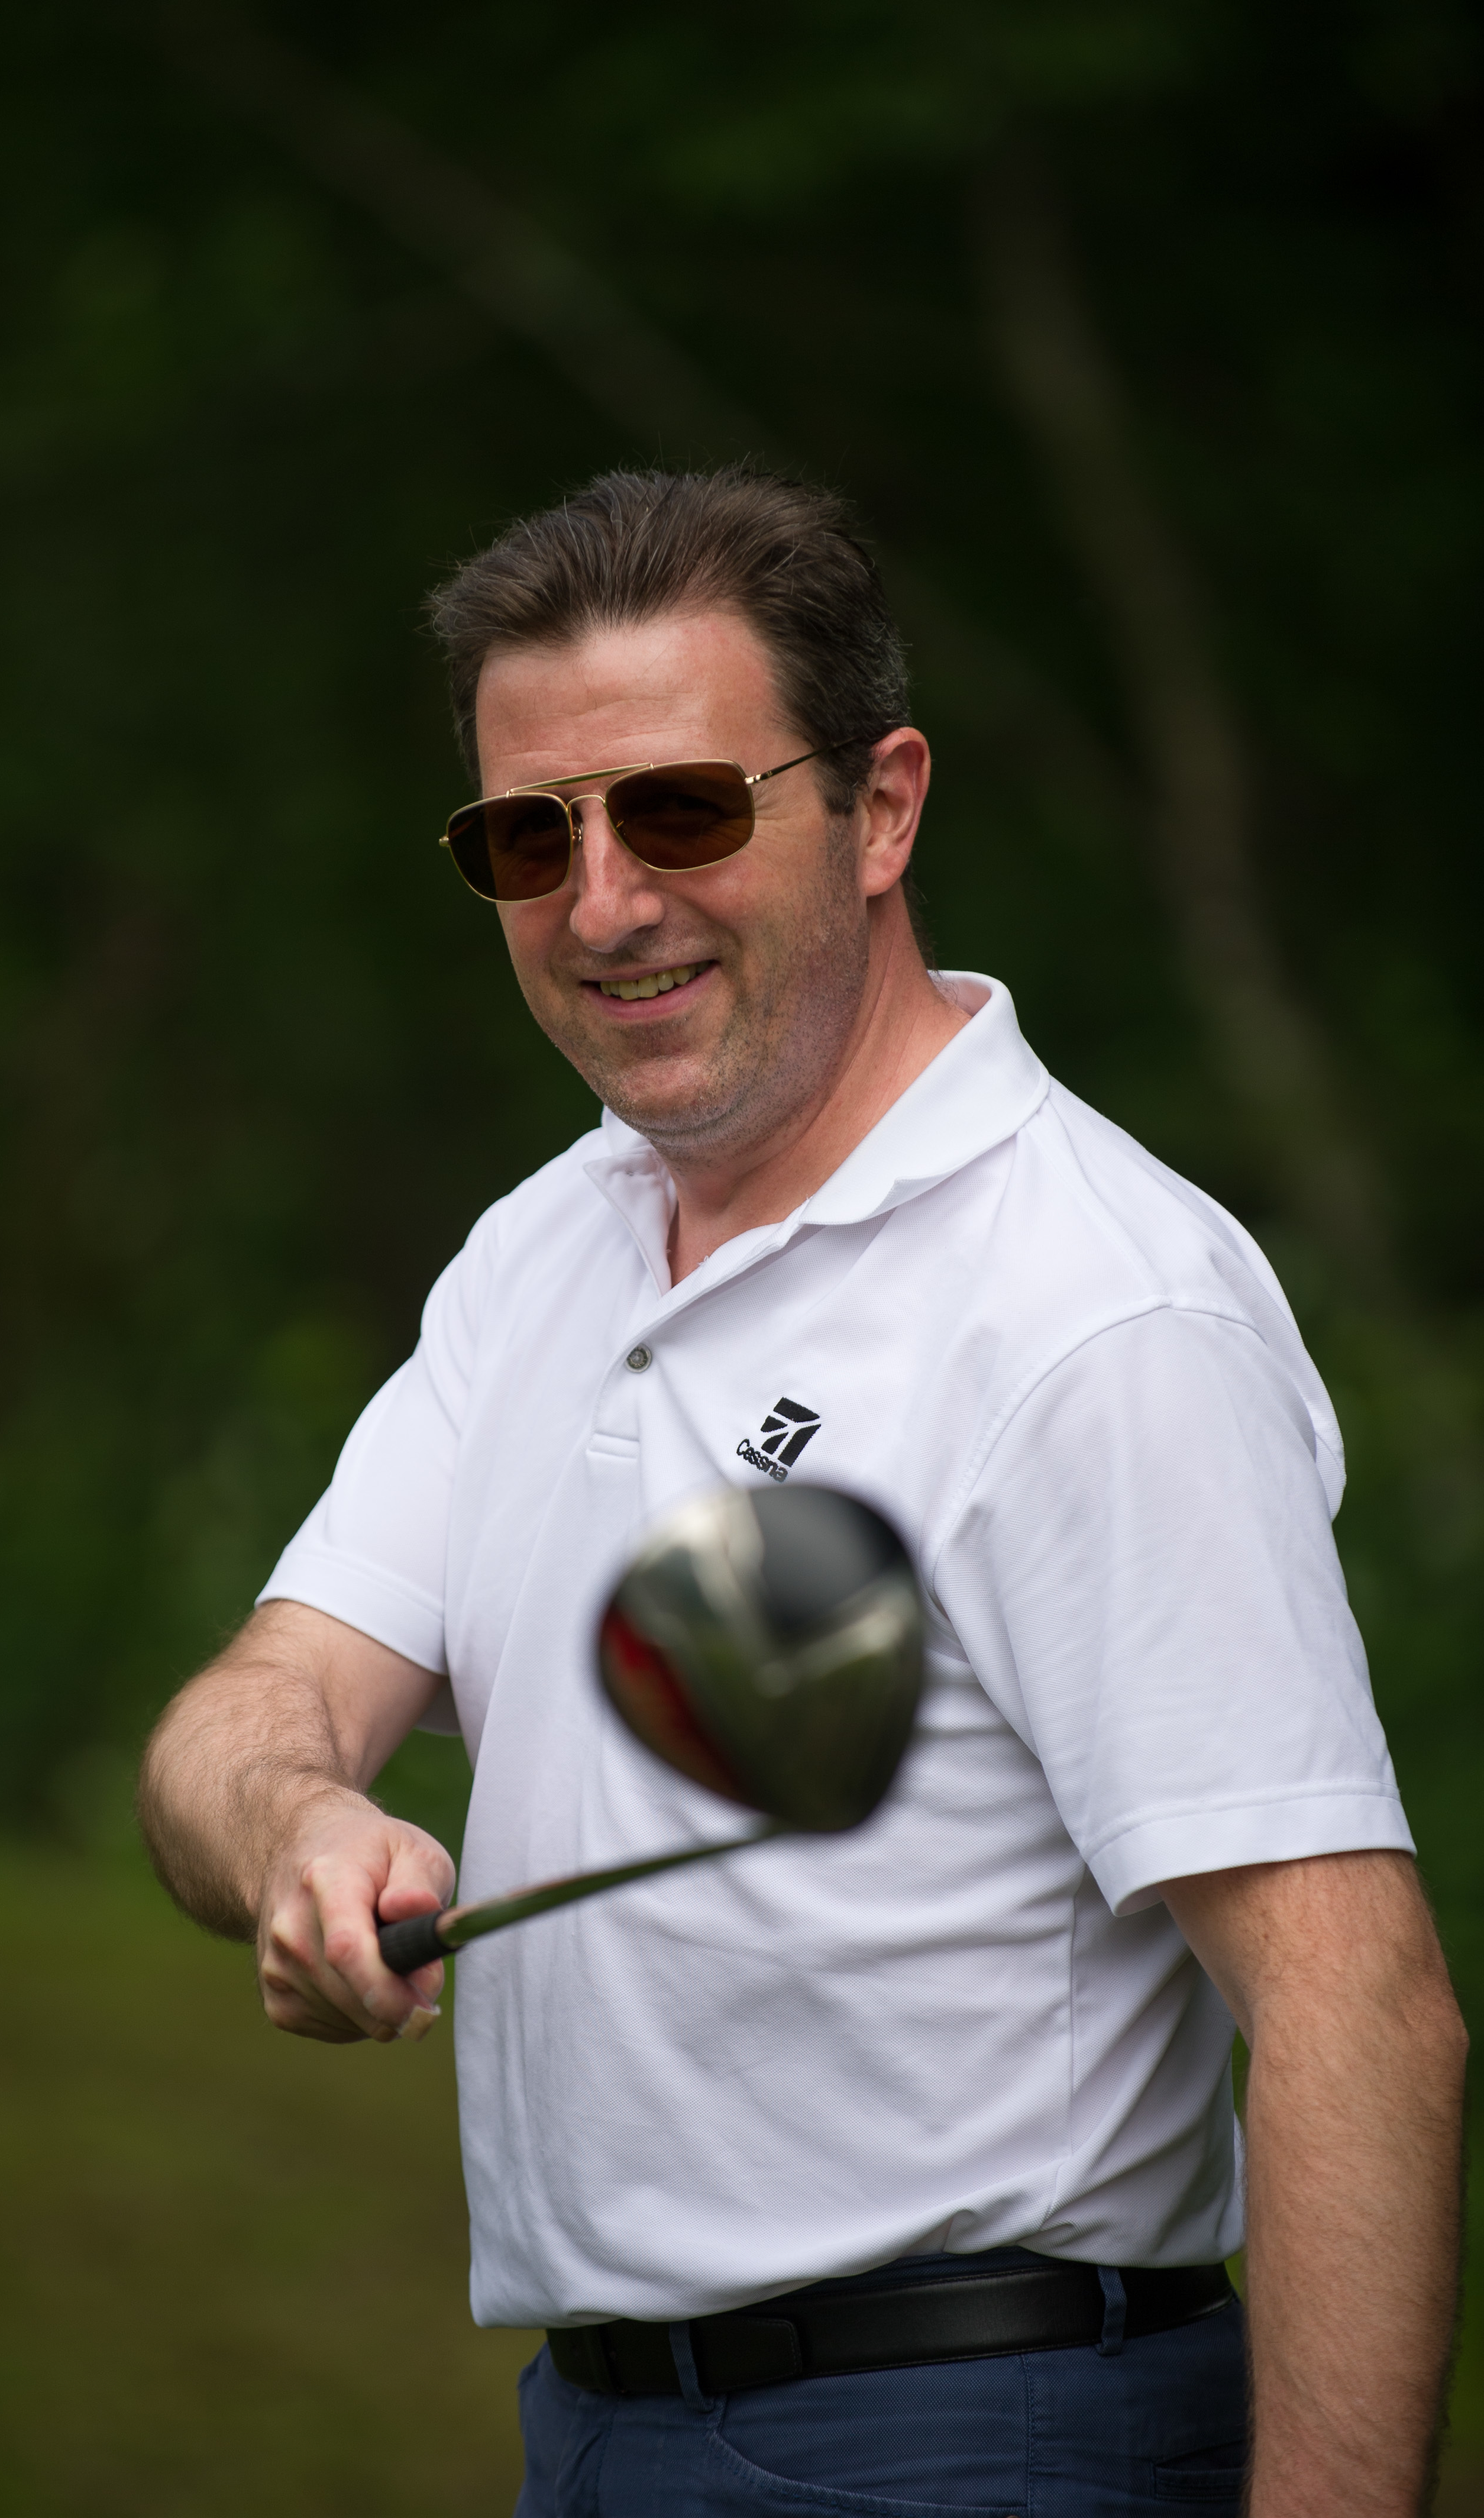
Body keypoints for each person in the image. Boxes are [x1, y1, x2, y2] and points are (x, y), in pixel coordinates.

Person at [139, 467, 1466, 2517]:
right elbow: (253, 1705)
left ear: (884, 809)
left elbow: (1355, 2007)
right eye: (528, 838)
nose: (604, 904)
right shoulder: (545, 1249)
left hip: (980, 2437)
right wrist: (298, 1828)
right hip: (599, 2432)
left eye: (681, 810)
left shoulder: (1092, 1310)